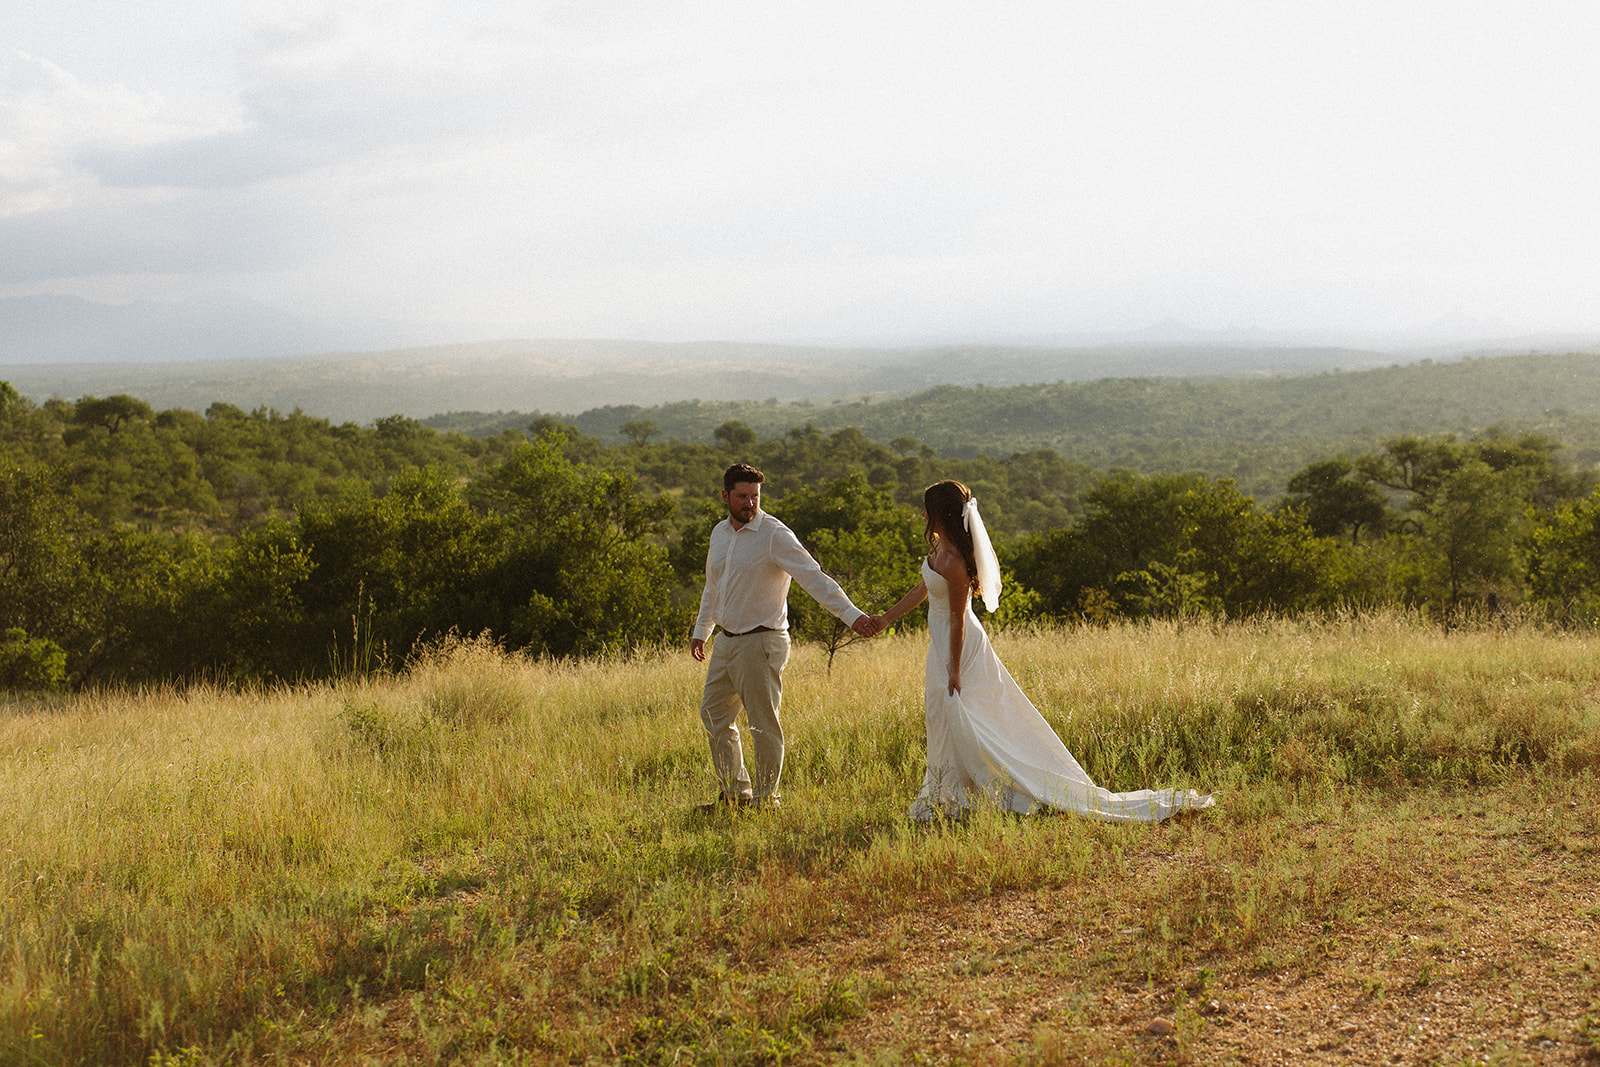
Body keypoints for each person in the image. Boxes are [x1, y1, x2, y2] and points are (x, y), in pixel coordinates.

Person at [872, 480, 1213, 823]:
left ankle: (986, 790)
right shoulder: (936, 553)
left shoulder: (956, 562)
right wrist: (885, 618)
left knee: (972, 717)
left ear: (939, 515)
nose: (921, 514)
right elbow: (922, 590)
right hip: (940, 645)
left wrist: (956, 670)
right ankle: (948, 792)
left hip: (960, 647)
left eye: (926, 509)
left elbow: (959, 620)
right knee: (941, 716)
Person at [691, 463, 882, 811]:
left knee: (763, 724)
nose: (750, 503)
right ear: (725, 497)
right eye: (742, 496)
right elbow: (713, 587)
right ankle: (735, 795)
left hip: (762, 642)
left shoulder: (774, 534)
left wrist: (853, 617)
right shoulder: (719, 533)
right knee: (714, 714)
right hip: (726, 640)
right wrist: (701, 631)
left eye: (755, 497)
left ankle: (766, 802)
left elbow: (814, 577)